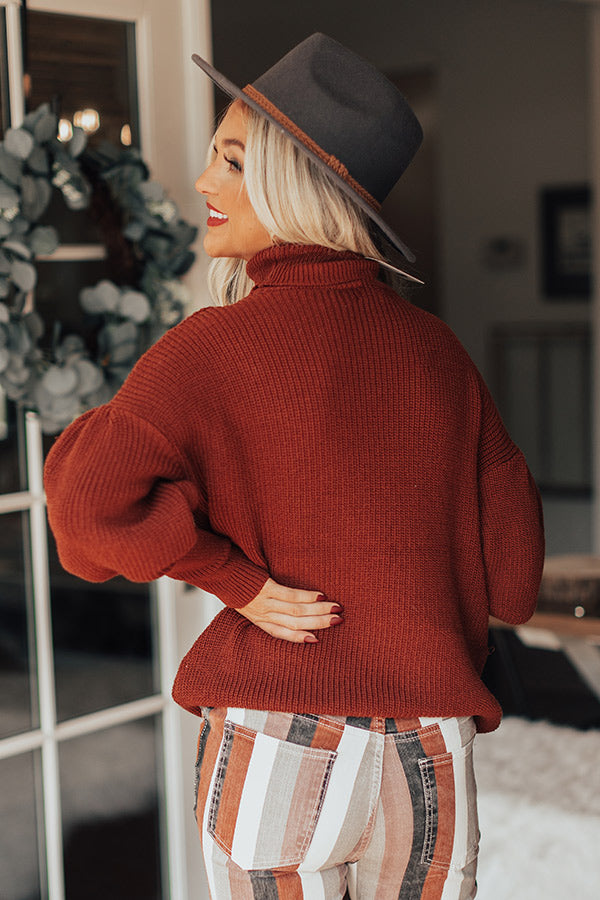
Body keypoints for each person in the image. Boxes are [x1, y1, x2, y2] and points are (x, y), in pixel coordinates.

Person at [44, 33, 545, 900]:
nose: (202, 183)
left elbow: (85, 513)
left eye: (231, 162)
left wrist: (227, 575)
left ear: (296, 182)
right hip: (430, 747)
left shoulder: (207, 351)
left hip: (280, 739)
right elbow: (514, 583)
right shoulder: (439, 354)